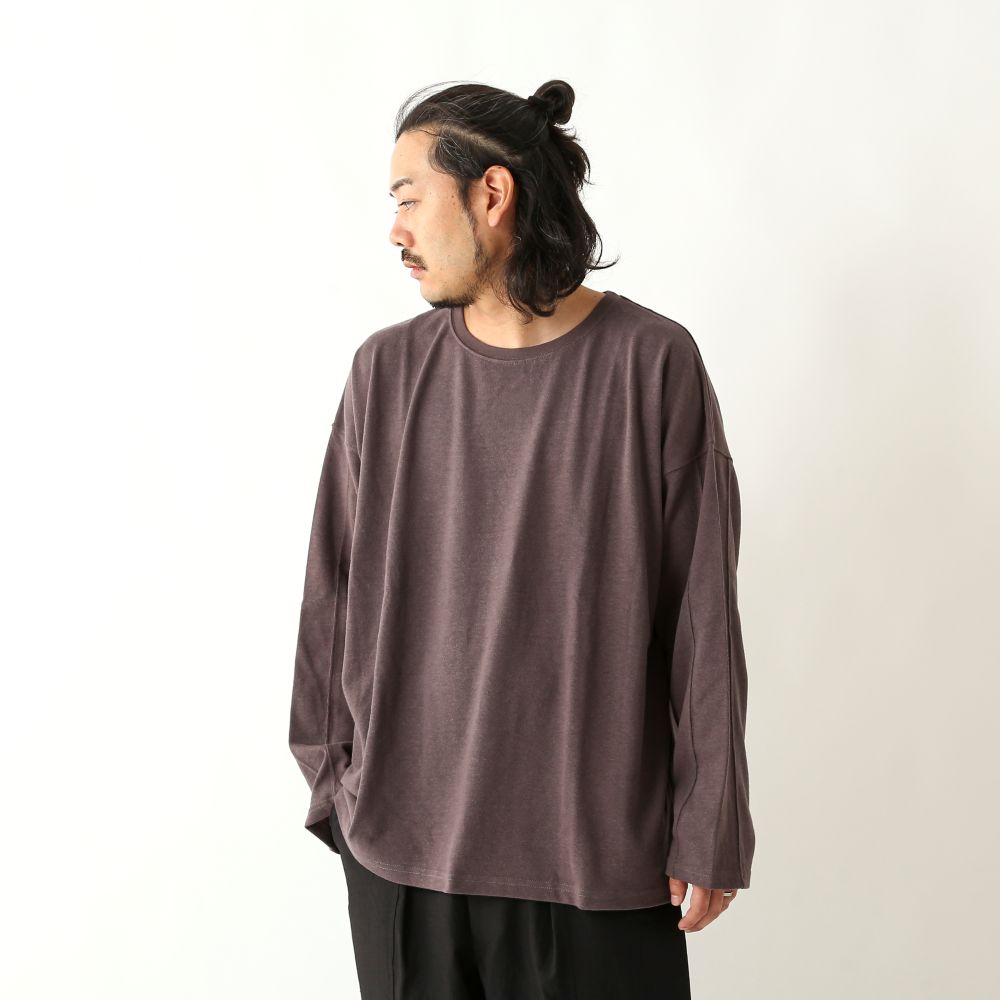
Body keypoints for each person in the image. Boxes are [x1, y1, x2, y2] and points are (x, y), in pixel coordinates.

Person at [288, 78, 755, 998]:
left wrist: (711, 819)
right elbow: (329, 594)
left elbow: (701, 613)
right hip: (401, 859)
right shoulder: (386, 373)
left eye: (409, 199)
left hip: (596, 868)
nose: (396, 231)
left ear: (491, 195)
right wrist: (335, 784)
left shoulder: (650, 365)